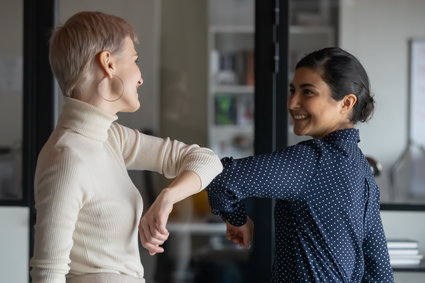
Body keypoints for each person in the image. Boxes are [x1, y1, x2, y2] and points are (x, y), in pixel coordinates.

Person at [29, 11, 223, 283]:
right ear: (108, 63)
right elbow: (48, 273)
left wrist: (168, 197)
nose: (141, 77)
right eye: (135, 60)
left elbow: (206, 160)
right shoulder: (66, 156)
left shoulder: (110, 137)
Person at [206, 47, 395, 282]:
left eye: (307, 92)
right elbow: (379, 271)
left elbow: (220, 179)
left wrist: (237, 220)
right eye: (292, 90)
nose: (292, 102)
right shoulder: (361, 169)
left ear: (346, 103)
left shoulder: (313, 160)